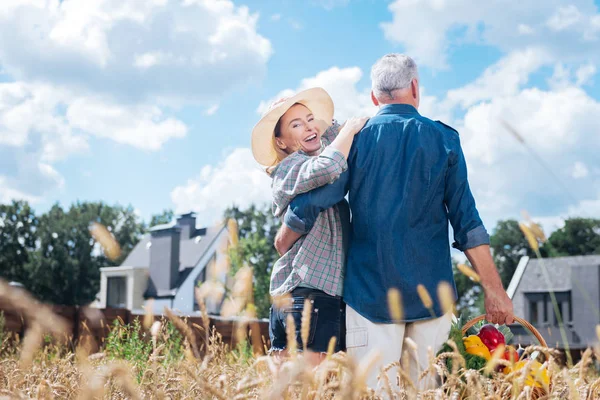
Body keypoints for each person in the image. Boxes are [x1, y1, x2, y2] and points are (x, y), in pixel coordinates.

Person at [274, 54, 514, 389]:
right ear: (415, 87)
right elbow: (467, 221)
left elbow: (321, 196)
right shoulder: (444, 139)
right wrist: (495, 291)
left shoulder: (355, 139)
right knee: (426, 395)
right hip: (432, 298)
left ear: (375, 97)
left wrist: (288, 233)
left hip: (368, 297)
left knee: (374, 395)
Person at [250, 87, 368, 364]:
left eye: (310, 118)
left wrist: (326, 127)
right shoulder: (291, 167)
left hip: (295, 298)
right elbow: (329, 167)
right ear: (280, 142)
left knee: (287, 390)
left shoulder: (308, 163)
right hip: (311, 296)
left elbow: (326, 140)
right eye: (296, 124)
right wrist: (349, 129)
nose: (308, 127)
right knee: (310, 389)